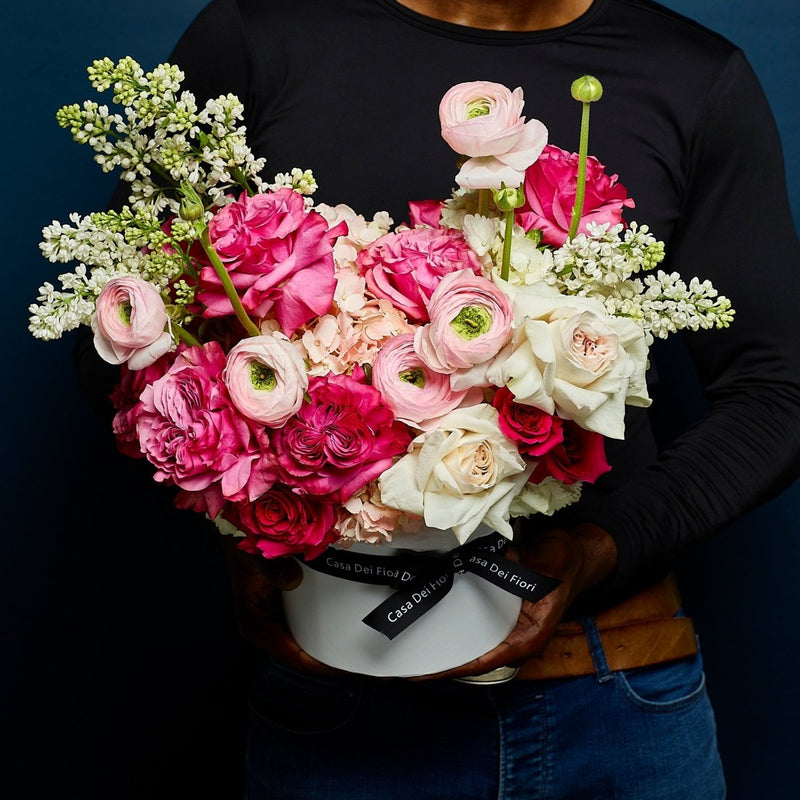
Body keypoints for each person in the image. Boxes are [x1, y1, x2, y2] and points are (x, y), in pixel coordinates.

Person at [80, 0, 800, 797]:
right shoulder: (260, 33)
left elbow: (779, 390)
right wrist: (251, 528)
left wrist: (597, 550)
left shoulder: (690, 74)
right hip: (339, 702)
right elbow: (120, 333)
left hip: (615, 696)